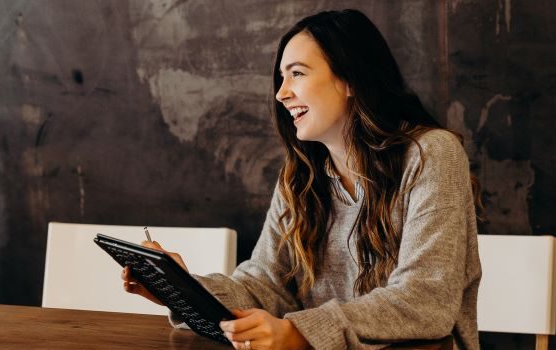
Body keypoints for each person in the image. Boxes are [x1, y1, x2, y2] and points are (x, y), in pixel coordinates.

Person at [122, 9, 481, 350]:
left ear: (351, 80)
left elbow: (425, 301)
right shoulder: (301, 177)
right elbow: (264, 286)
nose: (281, 94)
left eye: (297, 73)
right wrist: (183, 290)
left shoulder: (432, 154)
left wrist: (299, 333)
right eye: (281, 78)